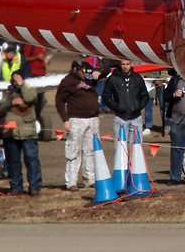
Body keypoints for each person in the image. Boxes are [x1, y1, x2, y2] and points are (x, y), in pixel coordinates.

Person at [55, 60, 101, 192]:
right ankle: (71, 182)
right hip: (76, 120)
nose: (89, 79)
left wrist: (98, 71)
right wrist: (65, 120)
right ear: (80, 72)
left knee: (90, 150)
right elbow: (59, 101)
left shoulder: (92, 76)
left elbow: (108, 69)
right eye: (86, 75)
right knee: (73, 151)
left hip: (93, 119)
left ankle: (90, 179)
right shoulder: (68, 81)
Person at [0, 68, 42, 196]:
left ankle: (34, 186)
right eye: (13, 80)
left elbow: (30, 98)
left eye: (17, 79)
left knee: (31, 160)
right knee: (13, 161)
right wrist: (12, 102)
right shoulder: (8, 94)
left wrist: (22, 85)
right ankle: (16, 187)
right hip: (11, 133)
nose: (15, 82)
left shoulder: (29, 90)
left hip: (28, 133)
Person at [101, 59, 149, 146]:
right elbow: (106, 96)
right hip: (120, 118)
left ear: (132, 64)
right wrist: (117, 107)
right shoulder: (113, 79)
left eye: (127, 64)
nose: (125, 67)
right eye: (123, 64)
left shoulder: (137, 78)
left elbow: (145, 95)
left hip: (136, 118)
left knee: (136, 149)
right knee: (120, 148)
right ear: (120, 64)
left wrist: (138, 107)